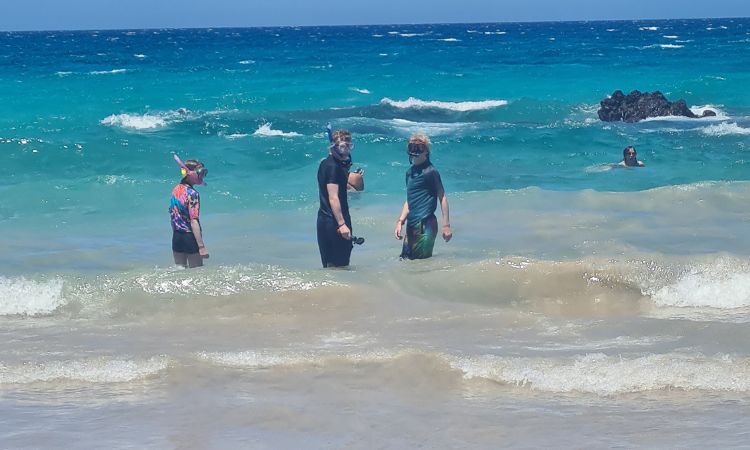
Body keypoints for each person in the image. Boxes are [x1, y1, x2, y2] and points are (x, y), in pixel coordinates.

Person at [394, 134, 452, 259]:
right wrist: (400, 222)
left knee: (420, 264)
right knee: (404, 259)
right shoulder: (409, 172)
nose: (415, 152)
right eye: (412, 147)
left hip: (426, 223)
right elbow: (409, 200)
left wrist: (446, 225)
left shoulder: (431, 172)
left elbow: (442, 197)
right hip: (412, 223)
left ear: (426, 151)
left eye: (418, 148)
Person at [317, 129, 355, 267]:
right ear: (333, 147)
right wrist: (342, 224)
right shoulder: (333, 166)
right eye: (343, 147)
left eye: (349, 146)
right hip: (335, 223)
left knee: (330, 267)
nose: (347, 151)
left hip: (324, 220)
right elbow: (333, 197)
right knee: (340, 267)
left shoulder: (325, 163)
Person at [169, 155, 209, 268]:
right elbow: (193, 221)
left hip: (176, 237)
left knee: (180, 272)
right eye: (200, 172)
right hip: (189, 237)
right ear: (189, 174)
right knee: (197, 273)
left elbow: (173, 216)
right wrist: (201, 247)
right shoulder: (193, 194)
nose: (202, 176)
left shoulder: (176, 189)